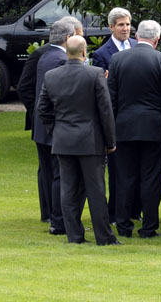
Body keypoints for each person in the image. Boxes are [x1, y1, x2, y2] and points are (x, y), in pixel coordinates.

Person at [37, 35, 120, 246]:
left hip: (63, 141)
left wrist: (56, 130)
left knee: (68, 190)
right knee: (96, 191)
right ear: (85, 52)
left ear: (66, 52)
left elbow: (43, 109)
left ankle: (74, 236)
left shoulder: (51, 76)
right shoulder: (95, 74)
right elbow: (105, 111)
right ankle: (104, 237)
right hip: (91, 141)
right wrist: (110, 141)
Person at [107, 19, 161, 238]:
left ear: (137, 37)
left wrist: (113, 126)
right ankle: (149, 226)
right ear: (157, 39)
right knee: (152, 177)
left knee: (124, 177)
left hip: (124, 127)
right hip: (154, 128)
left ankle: (123, 224)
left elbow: (111, 98)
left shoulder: (117, 59)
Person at [16, 18, 83, 224]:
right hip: (53, 125)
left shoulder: (46, 56)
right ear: (68, 37)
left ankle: (52, 215)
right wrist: (38, 113)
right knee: (57, 173)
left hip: (44, 124)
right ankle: (56, 216)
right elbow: (27, 88)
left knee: (50, 172)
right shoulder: (56, 59)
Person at [91, 7, 138, 219]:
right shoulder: (102, 54)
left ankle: (134, 209)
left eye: (128, 24)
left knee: (136, 167)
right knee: (117, 169)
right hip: (116, 117)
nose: (125, 28)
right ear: (111, 27)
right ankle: (116, 211)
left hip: (136, 115)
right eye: (121, 25)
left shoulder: (137, 46)